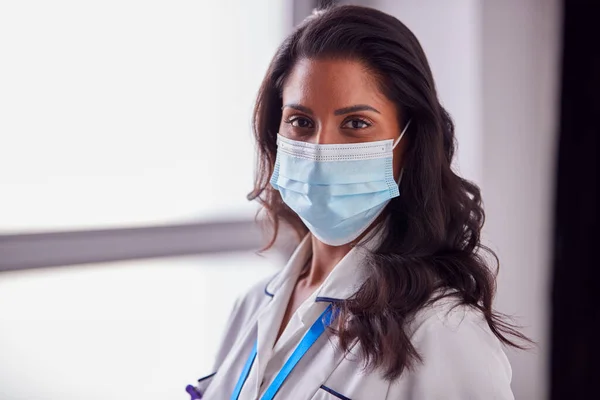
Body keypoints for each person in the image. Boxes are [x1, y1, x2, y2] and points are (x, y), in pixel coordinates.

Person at [186, 4, 532, 399]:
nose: (320, 151)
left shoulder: (442, 332)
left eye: (355, 124)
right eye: (300, 122)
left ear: (411, 142)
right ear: (274, 135)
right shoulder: (251, 307)